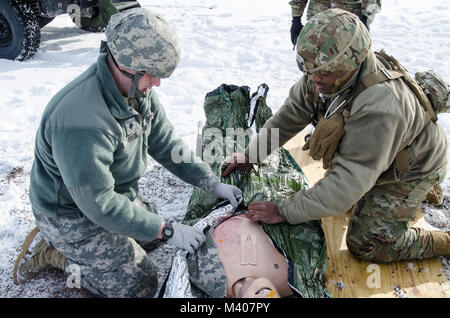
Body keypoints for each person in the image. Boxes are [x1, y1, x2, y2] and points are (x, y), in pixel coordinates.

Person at [15, 7, 242, 298]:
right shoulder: (80, 121)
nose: (157, 83)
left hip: (113, 195)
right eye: (152, 75)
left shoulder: (136, 90)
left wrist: (209, 181)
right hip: (71, 214)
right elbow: (100, 205)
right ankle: (56, 251)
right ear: (126, 65)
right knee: (139, 285)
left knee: (151, 236)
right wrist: (168, 230)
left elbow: (165, 143)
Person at [223, 9, 449, 264]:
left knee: (367, 244)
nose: (315, 79)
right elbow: (290, 116)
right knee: (347, 197)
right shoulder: (325, 75)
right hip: (381, 155)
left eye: (324, 72)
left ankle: (440, 228)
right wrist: (251, 155)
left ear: (349, 66)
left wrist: (284, 211)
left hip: (412, 168)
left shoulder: (380, 108)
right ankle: (413, 195)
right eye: (310, 69)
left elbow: (346, 185)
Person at [289, 0, 382, 46]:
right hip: (317, 21)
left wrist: (366, 18)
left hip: (348, 23)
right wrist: (296, 18)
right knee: (314, 64)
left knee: (348, 67)